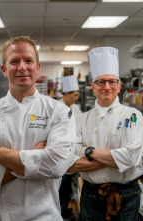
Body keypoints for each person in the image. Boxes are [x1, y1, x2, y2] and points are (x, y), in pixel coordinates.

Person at [0, 35, 77, 220]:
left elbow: (56, 165)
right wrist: (34, 158)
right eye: (14, 61)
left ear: (37, 67)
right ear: (4, 70)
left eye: (29, 61)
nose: (22, 67)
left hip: (42, 216)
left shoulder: (59, 112)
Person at [67, 47, 143, 221]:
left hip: (126, 196)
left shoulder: (131, 116)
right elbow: (68, 162)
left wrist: (88, 151)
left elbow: (131, 158)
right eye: (101, 82)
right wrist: (113, 160)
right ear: (93, 87)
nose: (107, 87)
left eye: (112, 82)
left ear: (119, 86)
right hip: (91, 195)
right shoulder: (81, 119)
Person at [59, 75, 82, 219]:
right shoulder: (55, 108)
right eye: (74, 95)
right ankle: (60, 212)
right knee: (61, 186)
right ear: (66, 93)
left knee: (69, 187)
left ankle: (66, 208)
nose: (76, 98)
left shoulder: (76, 109)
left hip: (74, 154)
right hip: (60, 154)